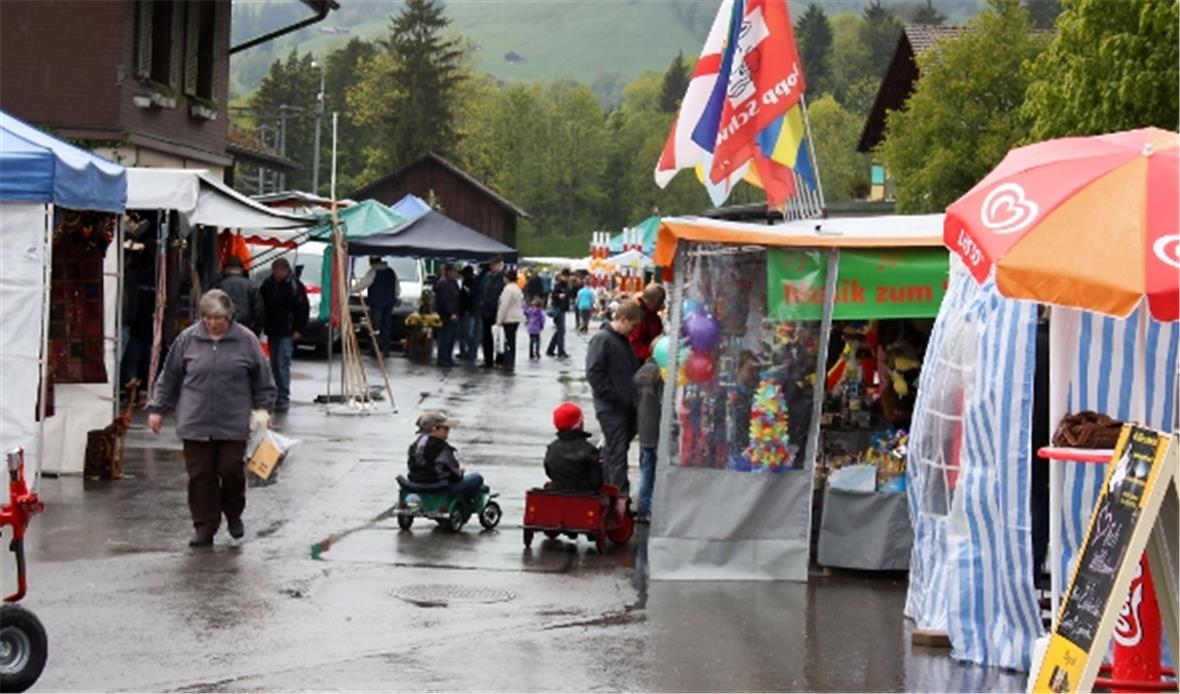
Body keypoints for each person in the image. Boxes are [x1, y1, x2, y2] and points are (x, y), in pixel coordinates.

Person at [147, 290, 276, 547]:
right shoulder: (187, 339)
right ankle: (204, 527)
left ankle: (233, 513)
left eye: (218, 318)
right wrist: (157, 409)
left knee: (231, 471)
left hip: (233, 422)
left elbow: (263, 380)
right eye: (207, 317)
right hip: (195, 421)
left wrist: (263, 411)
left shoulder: (246, 340)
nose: (212, 323)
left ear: (229, 316)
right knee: (200, 476)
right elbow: (170, 377)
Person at [585, 299, 642, 495]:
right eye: (633, 326)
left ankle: (609, 491)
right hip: (611, 407)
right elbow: (594, 373)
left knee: (614, 452)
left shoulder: (619, 340)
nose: (633, 331)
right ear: (624, 319)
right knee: (617, 453)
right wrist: (616, 397)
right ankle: (619, 496)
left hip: (621, 406)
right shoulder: (603, 339)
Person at [260, 257, 309, 412]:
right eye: (275, 271)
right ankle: (276, 393)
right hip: (273, 330)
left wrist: (299, 330)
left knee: (282, 363)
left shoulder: (295, 286)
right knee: (274, 363)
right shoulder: (267, 285)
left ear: (287, 271)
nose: (278, 274)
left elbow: (303, 309)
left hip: (287, 331)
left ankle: (283, 396)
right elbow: (261, 306)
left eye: (280, 271)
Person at [407, 411, 485, 503]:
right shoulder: (442, 448)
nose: (448, 431)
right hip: (439, 486)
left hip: (417, 484)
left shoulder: (414, 446)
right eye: (446, 428)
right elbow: (455, 475)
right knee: (476, 478)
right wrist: (461, 470)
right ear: (435, 429)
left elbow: (411, 466)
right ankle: (466, 503)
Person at [544, 402, 603, 494]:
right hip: (585, 498)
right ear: (579, 424)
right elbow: (596, 482)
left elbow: (549, 473)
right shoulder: (589, 450)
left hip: (556, 495)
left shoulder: (552, 448)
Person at [633, 351, 663, 523]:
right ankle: (653, 508)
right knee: (656, 469)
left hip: (644, 426)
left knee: (646, 467)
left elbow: (634, 400)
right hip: (657, 427)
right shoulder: (661, 374)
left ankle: (643, 509)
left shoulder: (640, 373)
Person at [354, 256, 399, 357]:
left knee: (375, 328)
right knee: (386, 326)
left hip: (376, 304)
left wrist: (351, 290)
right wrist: (395, 297)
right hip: (389, 303)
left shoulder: (373, 272)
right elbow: (397, 288)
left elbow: (363, 284)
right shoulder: (391, 272)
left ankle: (375, 349)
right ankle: (386, 350)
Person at [212, 256, 265, 335]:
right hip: (245, 327)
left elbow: (210, 306)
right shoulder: (251, 286)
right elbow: (259, 311)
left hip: (223, 326)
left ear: (226, 269)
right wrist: (256, 331)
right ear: (241, 269)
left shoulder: (218, 285)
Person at [479, 256, 506, 369]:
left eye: (494, 265)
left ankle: (500, 359)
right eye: (491, 265)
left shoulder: (503, 278)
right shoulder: (487, 277)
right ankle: (488, 360)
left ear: (500, 265)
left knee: (500, 337)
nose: (492, 267)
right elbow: (483, 291)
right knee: (486, 337)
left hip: (497, 311)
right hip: (485, 310)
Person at [496, 268, 525, 372]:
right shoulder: (517, 288)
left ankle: (507, 363)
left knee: (507, 341)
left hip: (508, 318)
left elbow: (504, 306)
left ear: (507, 278)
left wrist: (499, 320)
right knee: (512, 341)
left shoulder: (508, 289)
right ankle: (510, 361)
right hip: (516, 318)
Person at [628, 283, 666, 362]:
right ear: (655, 301)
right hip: (640, 363)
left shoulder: (652, 314)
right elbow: (635, 346)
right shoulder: (638, 315)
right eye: (661, 302)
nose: (662, 306)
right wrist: (654, 353)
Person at [434, 263, 460, 367]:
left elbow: (456, 296)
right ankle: (442, 358)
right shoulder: (443, 283)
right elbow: (445, 300)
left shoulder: (452, 282)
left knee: (451, 337)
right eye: (453, 271)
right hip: (446, 314)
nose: (454, 273)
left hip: (453, 313)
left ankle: (448, 358)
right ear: (448, 271)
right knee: (445, 337)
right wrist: (451, 313)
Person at [546, 269, 572, 359]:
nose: (567, 278)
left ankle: (550, 349)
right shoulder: (558, 285)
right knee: (561, 331)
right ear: (561, 276)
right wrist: (558, 296)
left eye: (568, 277)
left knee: (560, 331)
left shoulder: (566, 285)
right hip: (558, 309)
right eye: (565, 276)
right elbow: (553, 295)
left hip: (562, 309)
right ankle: (560, 351)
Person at [459, 265, 479, 362]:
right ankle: (467, 351)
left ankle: (471, 351)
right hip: (466, 310)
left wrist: (469, 309)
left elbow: (472, 297)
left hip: (469, 311)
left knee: (467, 333)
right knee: (465, 332)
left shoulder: (471, 283)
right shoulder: (468, 282)